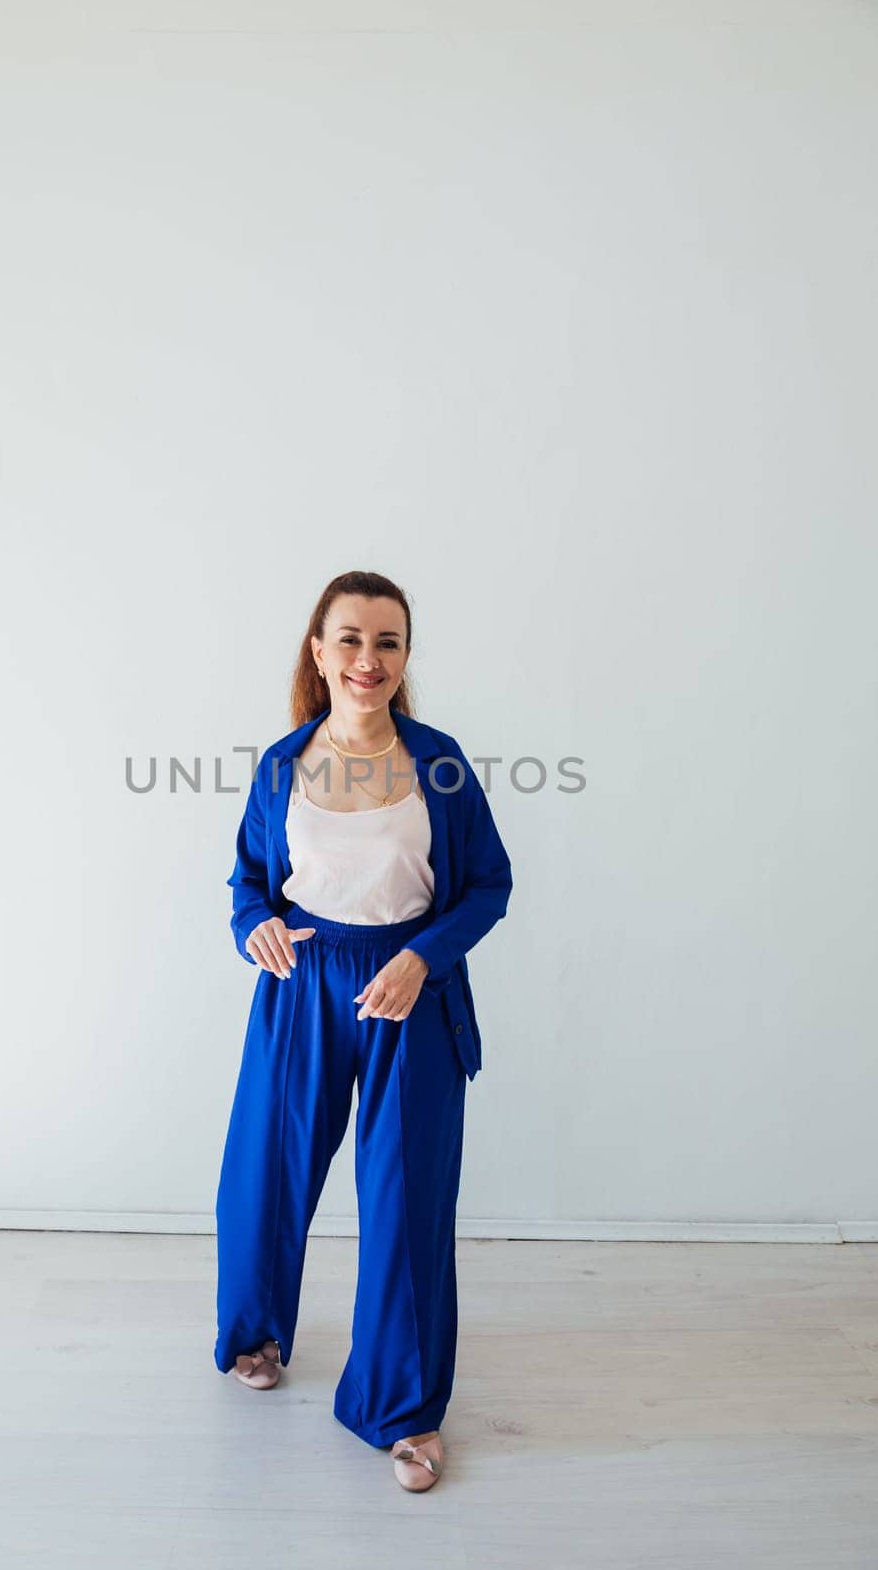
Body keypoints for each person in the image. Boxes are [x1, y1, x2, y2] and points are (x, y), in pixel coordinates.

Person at [213, 569, 514, 1492]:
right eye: (349, 639)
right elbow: (247, 890)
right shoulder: (279, 766)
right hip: (302, 986)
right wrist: (252, 925)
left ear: (405, 657)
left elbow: (488, 885)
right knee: (267, 1169)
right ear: (318, 650)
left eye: (387, 642)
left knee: (403, 1197)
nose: (367, 659)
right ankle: (255, 1331)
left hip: (408, 992)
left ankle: (405, 1410)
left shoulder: (442, 764)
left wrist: (423, 958)